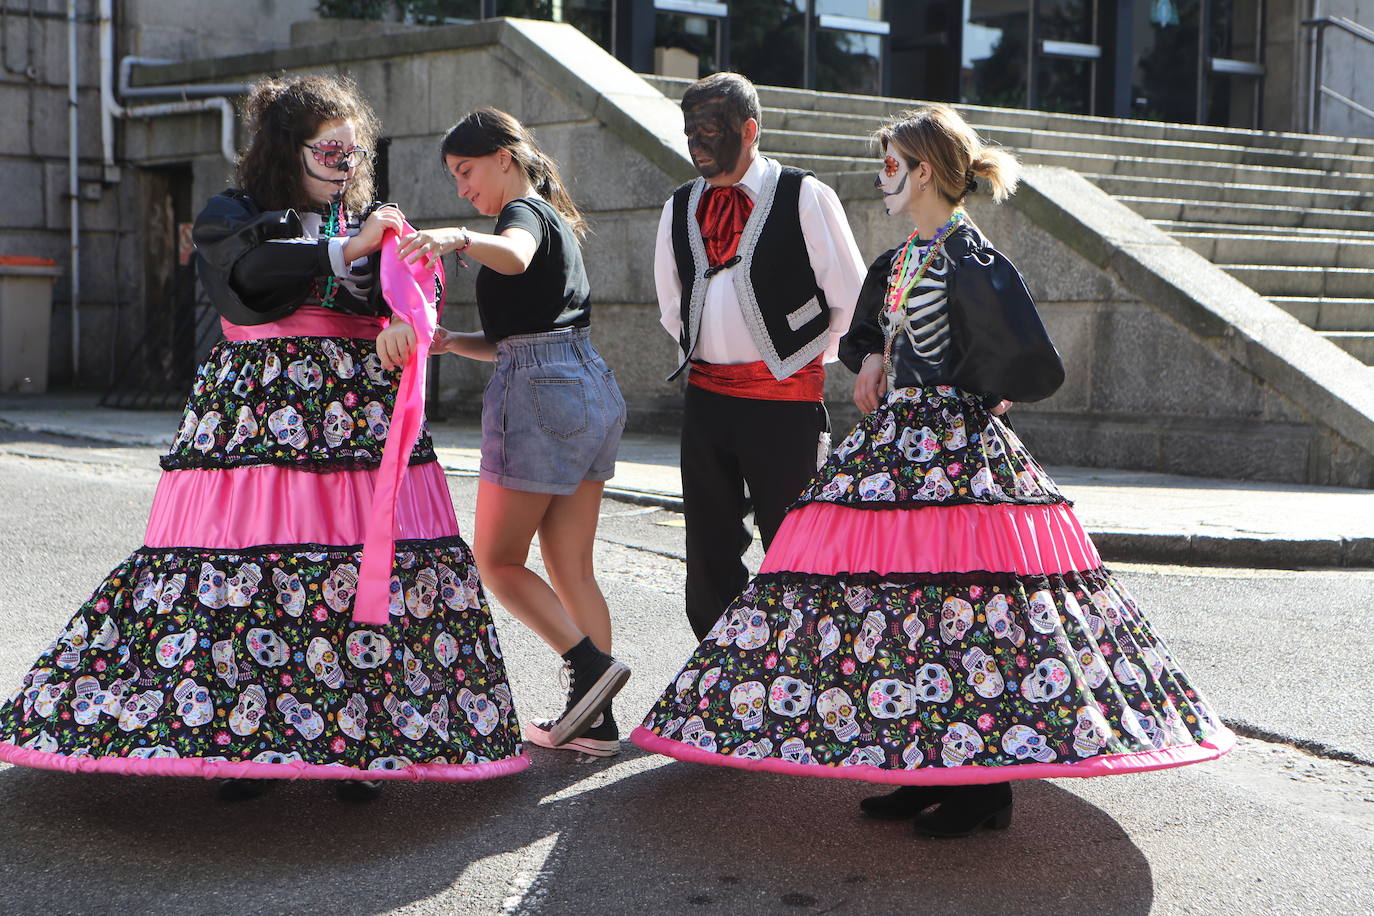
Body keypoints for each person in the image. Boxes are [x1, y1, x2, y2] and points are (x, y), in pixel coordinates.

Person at [632, 104, 1234, 837]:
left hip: (957, 453)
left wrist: (977, 392)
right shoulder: (902, 257)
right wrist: (877, 356)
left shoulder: (968, 255)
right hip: (895, 445)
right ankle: (918, 766)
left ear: (922, 171)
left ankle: (985, 790)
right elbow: (863, 331)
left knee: (972, 618)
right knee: (905, 615)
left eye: (892, 165)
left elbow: (1033, 362)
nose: (882, 178)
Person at [0, 75, 528, 802]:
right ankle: (252, 742)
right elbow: (247, 273)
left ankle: (361, 742)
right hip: (254, 423)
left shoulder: (373, 215)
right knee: (244, 581)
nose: (343, 160)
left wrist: (408, 314)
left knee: (354, 580)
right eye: (327, 147)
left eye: (351, 147)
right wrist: (346, 254)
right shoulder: (235, 214)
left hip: (355, 420)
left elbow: (413, 284)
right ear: (288, 149)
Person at [399, 108, 630, 757]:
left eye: (466, 171)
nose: (462, 188)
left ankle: (589, 668)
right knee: (572, 569)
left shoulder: (522, 216)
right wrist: (450, 343)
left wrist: (456, 238)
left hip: (541, 396)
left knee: (499, 563)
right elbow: (515, 339)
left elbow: (516, 256)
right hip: (588, 386)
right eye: (454, 179)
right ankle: (598, 721)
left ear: (505, 155)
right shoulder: (555, 218)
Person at [655, 72, 866, 642]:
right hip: (706, 402)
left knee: (795, 545)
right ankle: (721, 676)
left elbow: (850, 297)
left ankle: (800, 670)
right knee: (708, 550)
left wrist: (795, 359)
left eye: (711, 130)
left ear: (749, 130)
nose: (697, 142)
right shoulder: (678, 207)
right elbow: (672, 303)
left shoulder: (804, 195)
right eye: (689, 130)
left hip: (783, 403)